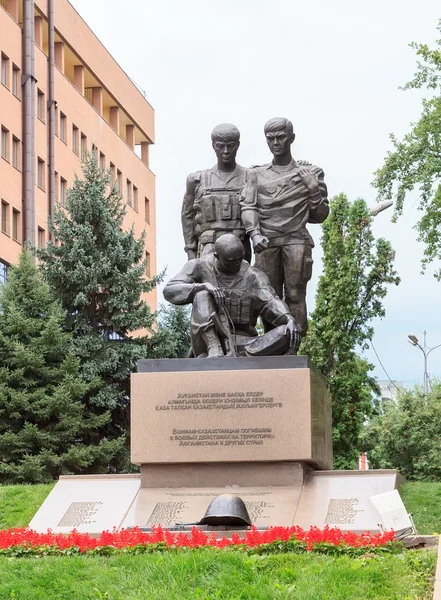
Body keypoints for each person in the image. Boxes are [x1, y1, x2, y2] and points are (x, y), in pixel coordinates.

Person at [240, 117, 329, 336]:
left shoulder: (311, 173)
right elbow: (248, 206)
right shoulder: (255, 174)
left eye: (281, 137)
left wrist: (313, 190)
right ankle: (274, 342)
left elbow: (320, 216)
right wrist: (254, 233)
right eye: (270, 139)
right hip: (267, 242)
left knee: (295, 293)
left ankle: (293, 345)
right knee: (267, 295)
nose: (276, 143)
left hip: (296, 240)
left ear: (292, 138)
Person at [163, 234, 301, 358]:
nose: (236, 264)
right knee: (202, 294)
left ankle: (236, 356)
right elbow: (170, 290)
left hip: (244, 342)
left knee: (286, 332)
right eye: (230, 260)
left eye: (239, 259)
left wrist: (288, 318)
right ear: (217, 256)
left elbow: (271, 301)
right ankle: (214, 349)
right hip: (206, 341)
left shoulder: (253, 276)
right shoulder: (199, 266)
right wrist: (202, 286)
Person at [181, 123, 250, 261]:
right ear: (213, 146)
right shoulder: (196, 180)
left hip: (239, 248)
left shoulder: (250, 177)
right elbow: (187, 217)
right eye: (220, 146)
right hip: (208, 247)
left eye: (230, 146)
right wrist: (190, 250)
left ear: (237, 145)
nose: (225, 151)